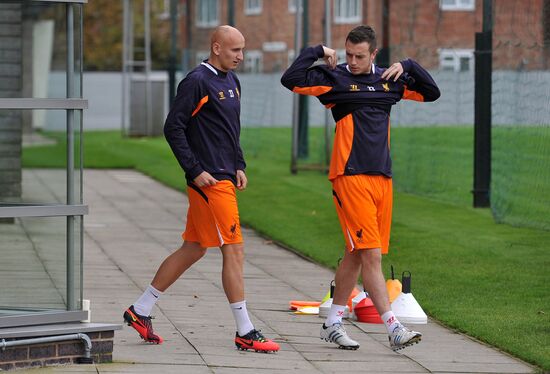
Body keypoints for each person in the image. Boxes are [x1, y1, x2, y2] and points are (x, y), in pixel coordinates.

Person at [281, 25, 440, 351]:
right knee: (370, 256)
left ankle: (333, 323)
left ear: (373, 54)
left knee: (355, 254)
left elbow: (432, 91)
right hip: (349, 177)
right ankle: (394, 328)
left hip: (382, 178)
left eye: (359, 56)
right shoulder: (334, 78)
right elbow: (291, 79)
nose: (352, 61)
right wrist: (317, 52)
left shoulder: (390, 81)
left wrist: (408, 65)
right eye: (348, 54)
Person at [123, 25, 279, 353]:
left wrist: (239, 163)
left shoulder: (232, 81)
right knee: (234, 250)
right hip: (210, 184)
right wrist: (194, 171)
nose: (240, 56)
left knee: (194, 248)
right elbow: (173, 127)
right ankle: (245, 331)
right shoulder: (197, 81)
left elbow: (229, 130)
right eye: (235, 50)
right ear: (216, 47)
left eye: (242, 49)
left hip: (224, 176)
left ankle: (140, 309)